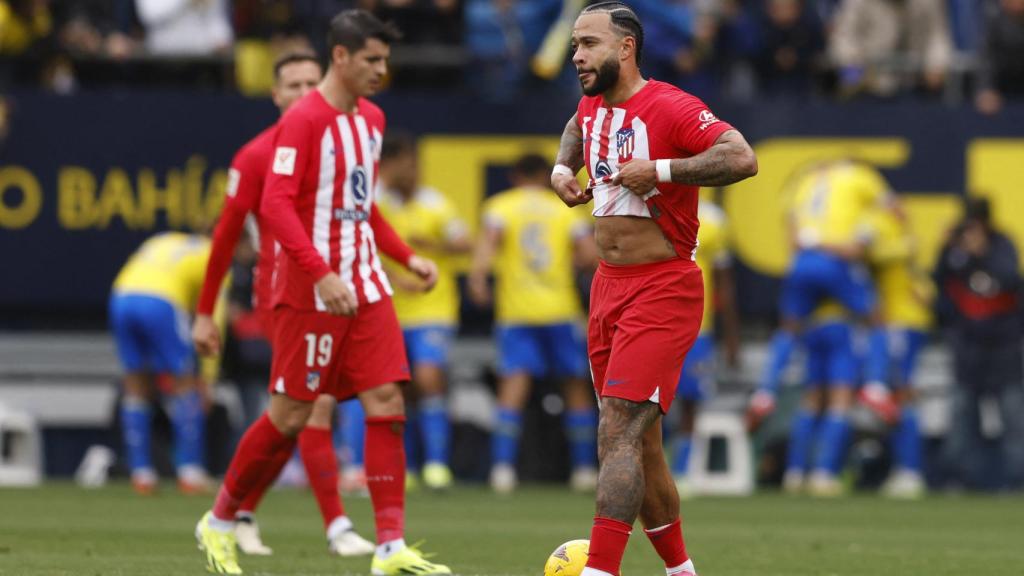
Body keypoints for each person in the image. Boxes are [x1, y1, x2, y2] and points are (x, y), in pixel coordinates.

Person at [193, 10, 451, 576]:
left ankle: (389, 546)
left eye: (385, 60)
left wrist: (406, 256)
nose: (381, 70)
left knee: (387, 402)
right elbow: (274, 206)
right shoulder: (302, 122)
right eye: (372, 60)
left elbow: (361, 206)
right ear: (342, 56)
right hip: (310, 293)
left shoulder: (373, 118)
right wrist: (319, 274)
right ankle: (221, 519)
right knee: (290, 415)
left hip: (365, 284)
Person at [551, 3, 757, 576]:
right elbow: (576, 127)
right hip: (607, 287)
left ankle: (600, 570)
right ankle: (682, 571)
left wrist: (661, 170)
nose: (576, 56)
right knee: (640, 444)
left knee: (617, 428)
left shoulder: (670, 106)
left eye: (588, 44)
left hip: (662, 287)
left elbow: (742, 157)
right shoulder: (593, 105)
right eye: (574, 45)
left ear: (626, 48)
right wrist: (562, 169)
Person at [191, 52, 374, 557]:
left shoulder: (342, 146)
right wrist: (205, 313)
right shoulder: (256, 155)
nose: (303, 92)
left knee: (292, 415)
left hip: (337, 292)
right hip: (285, 297)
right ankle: (336, 527)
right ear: (275, 95)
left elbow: (365, 215)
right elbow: (225, 238)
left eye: (312, 82)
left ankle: (239, 511)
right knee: (311, 407)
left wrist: (402, 259)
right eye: (292, 85)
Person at [340, 131, 471, 492]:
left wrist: (436, 245)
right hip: (389, 310)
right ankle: (405, 465)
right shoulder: (376, 202)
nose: (411, 171)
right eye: (405, 164)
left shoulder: (436, 203)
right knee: (395, 388)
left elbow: (465, 243)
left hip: (434, 308)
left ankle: (437, 465)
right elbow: (361, 248)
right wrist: (396, 277)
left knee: (428, 378)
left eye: (414, 164)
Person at [467, 152, 599, 494]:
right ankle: (584, 469)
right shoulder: (564, 210)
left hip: (517, 312)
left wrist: (478, 279)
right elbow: (589, 255)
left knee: (513, 387)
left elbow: (487, 245)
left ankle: (502, 469)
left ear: (515, 176)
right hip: (560, 310)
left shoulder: (500, 207)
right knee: (575, 388)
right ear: (546, 176)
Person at [749, 160, 893, 430]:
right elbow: (891, 210)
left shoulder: (805, 181)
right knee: (876, 319)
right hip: (835, 260)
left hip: (802, 261)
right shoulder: (860, 175)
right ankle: (876, 386)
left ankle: (765, 392)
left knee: (789, 326)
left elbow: (792, 230)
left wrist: (809, 245)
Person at [109, 231, 213, 495]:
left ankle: (141, 473)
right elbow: (213, 317)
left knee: (135, 383)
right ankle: (190, 472)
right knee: (184, 381)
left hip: (121, 296)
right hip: (162, 302)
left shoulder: (163, 239)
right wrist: (208, 376)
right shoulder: (214, 255)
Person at [934, 197, 1024, 491]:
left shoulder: (1001, 244)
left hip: (1004, 344)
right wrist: (950, 248)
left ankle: (1016, 479)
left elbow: (1010, 279)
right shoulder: (954, 248)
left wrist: (982, 253)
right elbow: (939, 284)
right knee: (963, 412)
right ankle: (959, 478)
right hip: (968, 344)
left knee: (1013, 414)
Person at [669, 197, 739, 496]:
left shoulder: (712, 219)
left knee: (690, 402)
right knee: (641, 401)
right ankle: (643, 471)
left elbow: (724, 282)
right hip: (653, 321)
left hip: (698, 326)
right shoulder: (651, 204)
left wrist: (731, 336)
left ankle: (681, 473)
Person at [867, 202, 933, 498]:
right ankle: (905, 468)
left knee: (902, 394)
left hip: (901, 322)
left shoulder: (887, 231)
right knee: (899, 395)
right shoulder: (902, 236)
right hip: (905, 321)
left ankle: (909, 470)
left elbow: (872, 254)